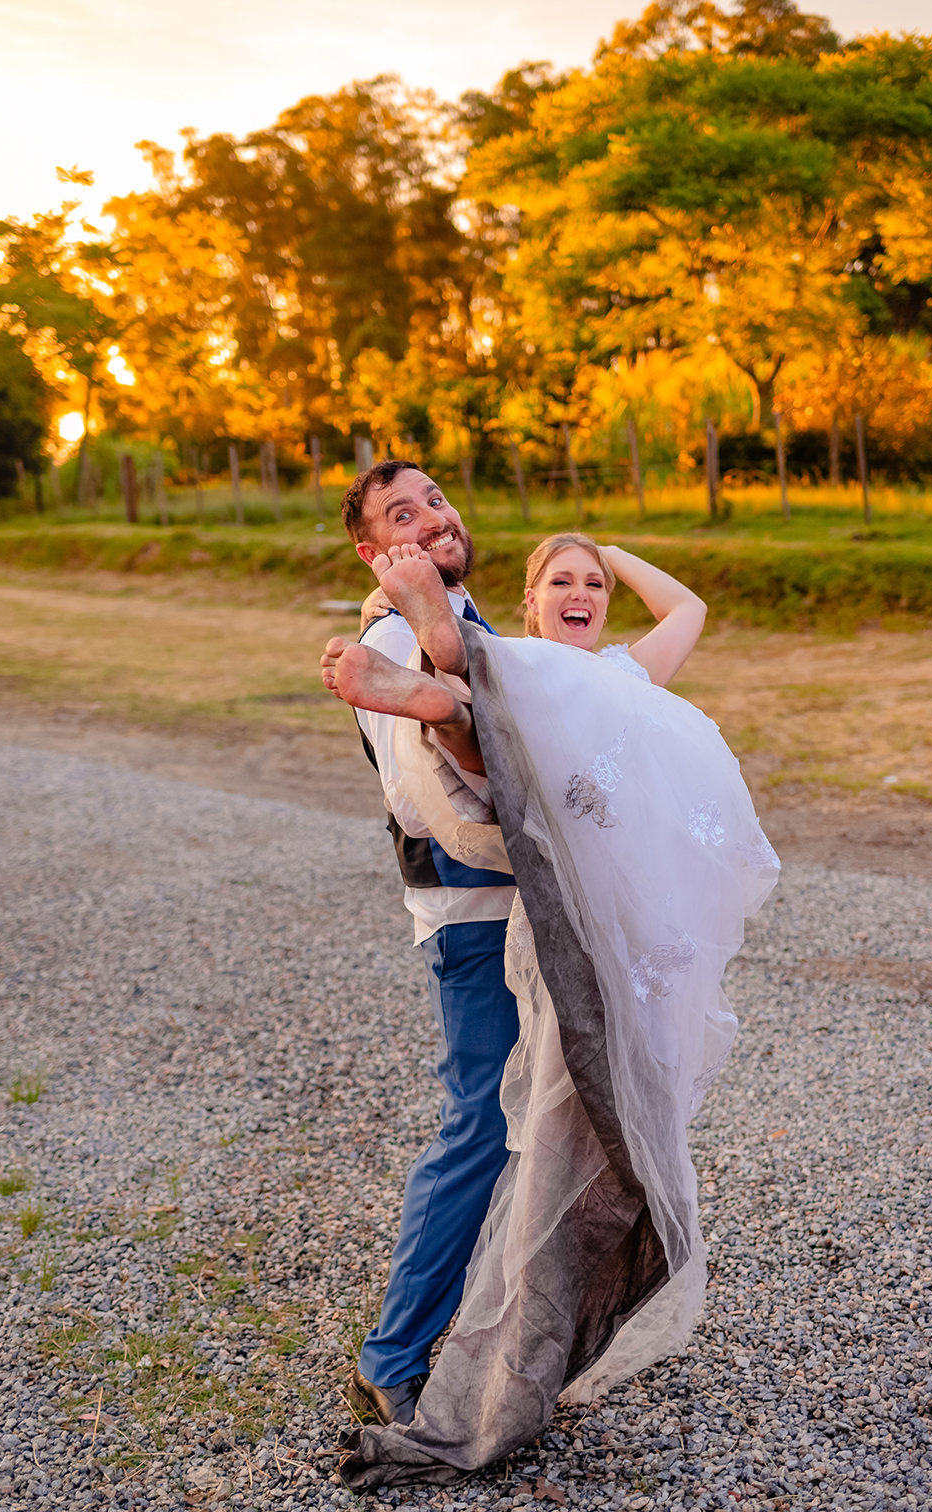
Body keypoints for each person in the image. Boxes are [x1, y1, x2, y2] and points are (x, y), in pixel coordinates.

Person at [324, 524, 781, 1488]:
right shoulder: (522, 660)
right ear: (529, 601)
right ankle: (506, 1357)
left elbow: (689, 610)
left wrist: (608, 555)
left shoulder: (617, 672)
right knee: (551, 1140)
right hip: (563, 922)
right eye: (558, 582)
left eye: (591, 586)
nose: (580, 593)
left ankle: (563, 1332)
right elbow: (473, 685)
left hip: (641, 952)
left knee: (625, 1142)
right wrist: (429, 656)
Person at [324, 460, 519, 1431]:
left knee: (541, 1126)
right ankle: (390, 1361)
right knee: (480, 1130)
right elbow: (431, 801)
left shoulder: (459, 610)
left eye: (437, 498)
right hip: (476, 919)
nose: (434, 516)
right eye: (403, 515)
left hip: (518, 909)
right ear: (372, 552)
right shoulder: (391, 635)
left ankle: (518, 1334)